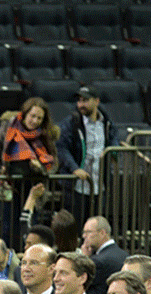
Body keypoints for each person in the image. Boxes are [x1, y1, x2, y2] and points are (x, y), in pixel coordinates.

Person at [0, 97, 58, 249]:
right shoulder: (9, 127)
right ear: (25, 114)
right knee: (8, 227)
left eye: (39, 118)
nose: (35, 121)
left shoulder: (46, 134)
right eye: (32, 116)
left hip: (33, 187)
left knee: (29, 228)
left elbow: (53, 163)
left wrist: (39, 166)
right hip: (10, 185)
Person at [57, 86, 120, 224]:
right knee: (75, 224)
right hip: (76, 186)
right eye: (79, 101)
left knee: (96, 225)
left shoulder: (107, 123)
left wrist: (113, 154)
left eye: (85, 100)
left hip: (100, 184)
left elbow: (114, 142)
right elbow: (61, 148)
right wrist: (74, 168)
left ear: (96, 101)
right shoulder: (71, 123)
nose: (81, 105)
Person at [81, 216, 128, 294]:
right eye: (84, 232)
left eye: (88, 232)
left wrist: (84, 259)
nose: (84, 236)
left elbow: (78, 282)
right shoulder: (124, 254)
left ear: (102, 233)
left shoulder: (97, 261)